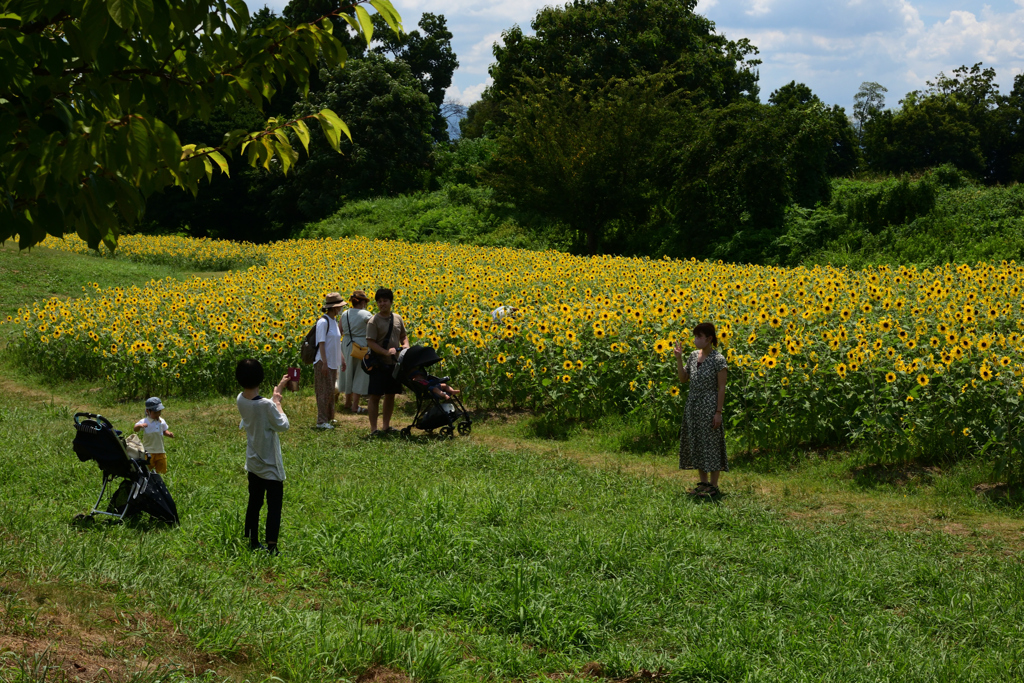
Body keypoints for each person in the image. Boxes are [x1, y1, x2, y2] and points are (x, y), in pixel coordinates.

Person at [236, 358, 290, 555]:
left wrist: (276, 394)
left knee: (255, 502)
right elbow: (283, 425)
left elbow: (259, 406)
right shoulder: (267, 405)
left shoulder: (240, 399)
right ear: (261, 378)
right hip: (270, 466)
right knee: (274, 506)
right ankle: (272, 546)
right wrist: (277, 402)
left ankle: (252, 539)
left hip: (253, 462)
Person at [674, 322, 728, 497]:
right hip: (693, 405)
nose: (695, 340)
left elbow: (721, 388)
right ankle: (703, 483)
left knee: (711, 444)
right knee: (697, 442)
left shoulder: (718, 359)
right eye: (695, 336)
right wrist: (679, 358)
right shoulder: (692, 356)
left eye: (699, 337)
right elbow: (683, 379)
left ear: (709, 339)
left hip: (710, 406)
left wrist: (718, 412)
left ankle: (713, 486)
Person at [365, 287, 409, 436]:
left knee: (390, 394)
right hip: (378, 364)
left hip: (394, 364)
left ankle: (386, 426)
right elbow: (370, 342)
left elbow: (403, 336)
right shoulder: (373, 321)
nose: (382, 304)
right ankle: (373, 429)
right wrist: (385, 352)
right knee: (375, 396)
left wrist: (406, 345)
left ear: (391, 302)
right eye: (379, 301)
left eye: (385, 301)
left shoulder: (397, 318)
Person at [314, 292, 346, 430]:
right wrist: (324, 363)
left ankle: (329, 417)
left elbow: (336, 343)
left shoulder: (333, 321)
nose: (341, 308)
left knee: (331, 391)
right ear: (334, 307)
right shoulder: (323, 322)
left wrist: (342, 359)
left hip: (333, 362)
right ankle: (321, 421)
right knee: (323, 392)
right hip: (323, 362)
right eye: (340, 306)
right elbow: (321, 343)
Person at [338, 289, 372, 415]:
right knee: (360, 374)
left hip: (346, 344)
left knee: (348, 373)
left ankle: (347, 402)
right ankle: (355, 406)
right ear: (363, 302)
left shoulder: (345, 314)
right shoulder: (366, 315)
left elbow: (339, 331)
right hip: (361, 345)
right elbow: (374, 330)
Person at [134, 396, 174, 474]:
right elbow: (135, 429)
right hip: (149, 452)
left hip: (160, 450)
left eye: (159, 412)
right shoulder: (144, 421)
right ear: (147, 411)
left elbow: (164, 430)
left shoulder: (161, 421)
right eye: (155, 412)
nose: (158, 414)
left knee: (162, 470)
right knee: (146, 470)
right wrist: (139, 426)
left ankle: (160, 479)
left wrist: (168, 434)